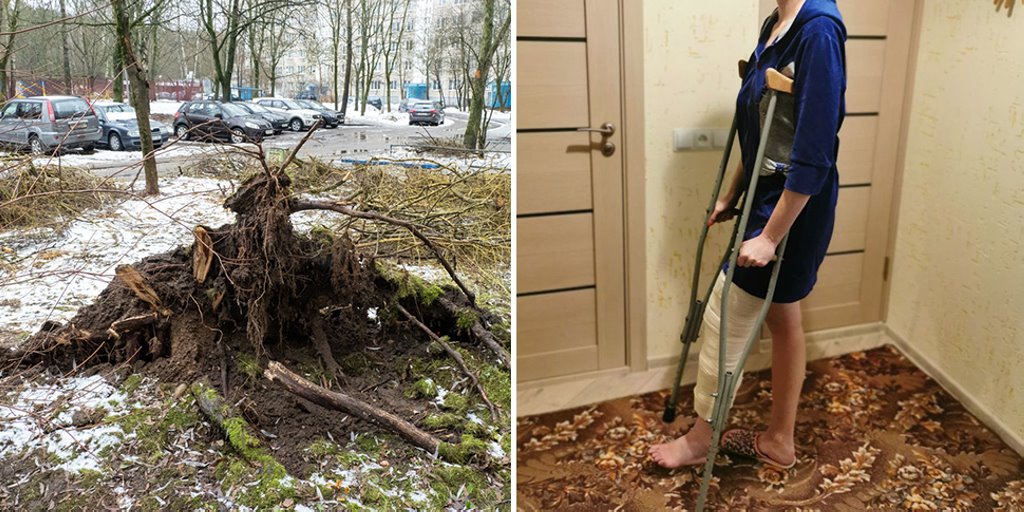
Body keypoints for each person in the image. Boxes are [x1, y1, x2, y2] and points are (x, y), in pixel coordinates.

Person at [649, 0, 846, 469]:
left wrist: (770, 237)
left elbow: (814, 152)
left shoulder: (818, 32)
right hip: (764, 196)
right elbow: (767, 130)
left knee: (725, 315)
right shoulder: (776, 25)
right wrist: (731, 192)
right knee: (783, 318)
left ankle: (700, 441)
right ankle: (780, 441)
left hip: (791, 207)